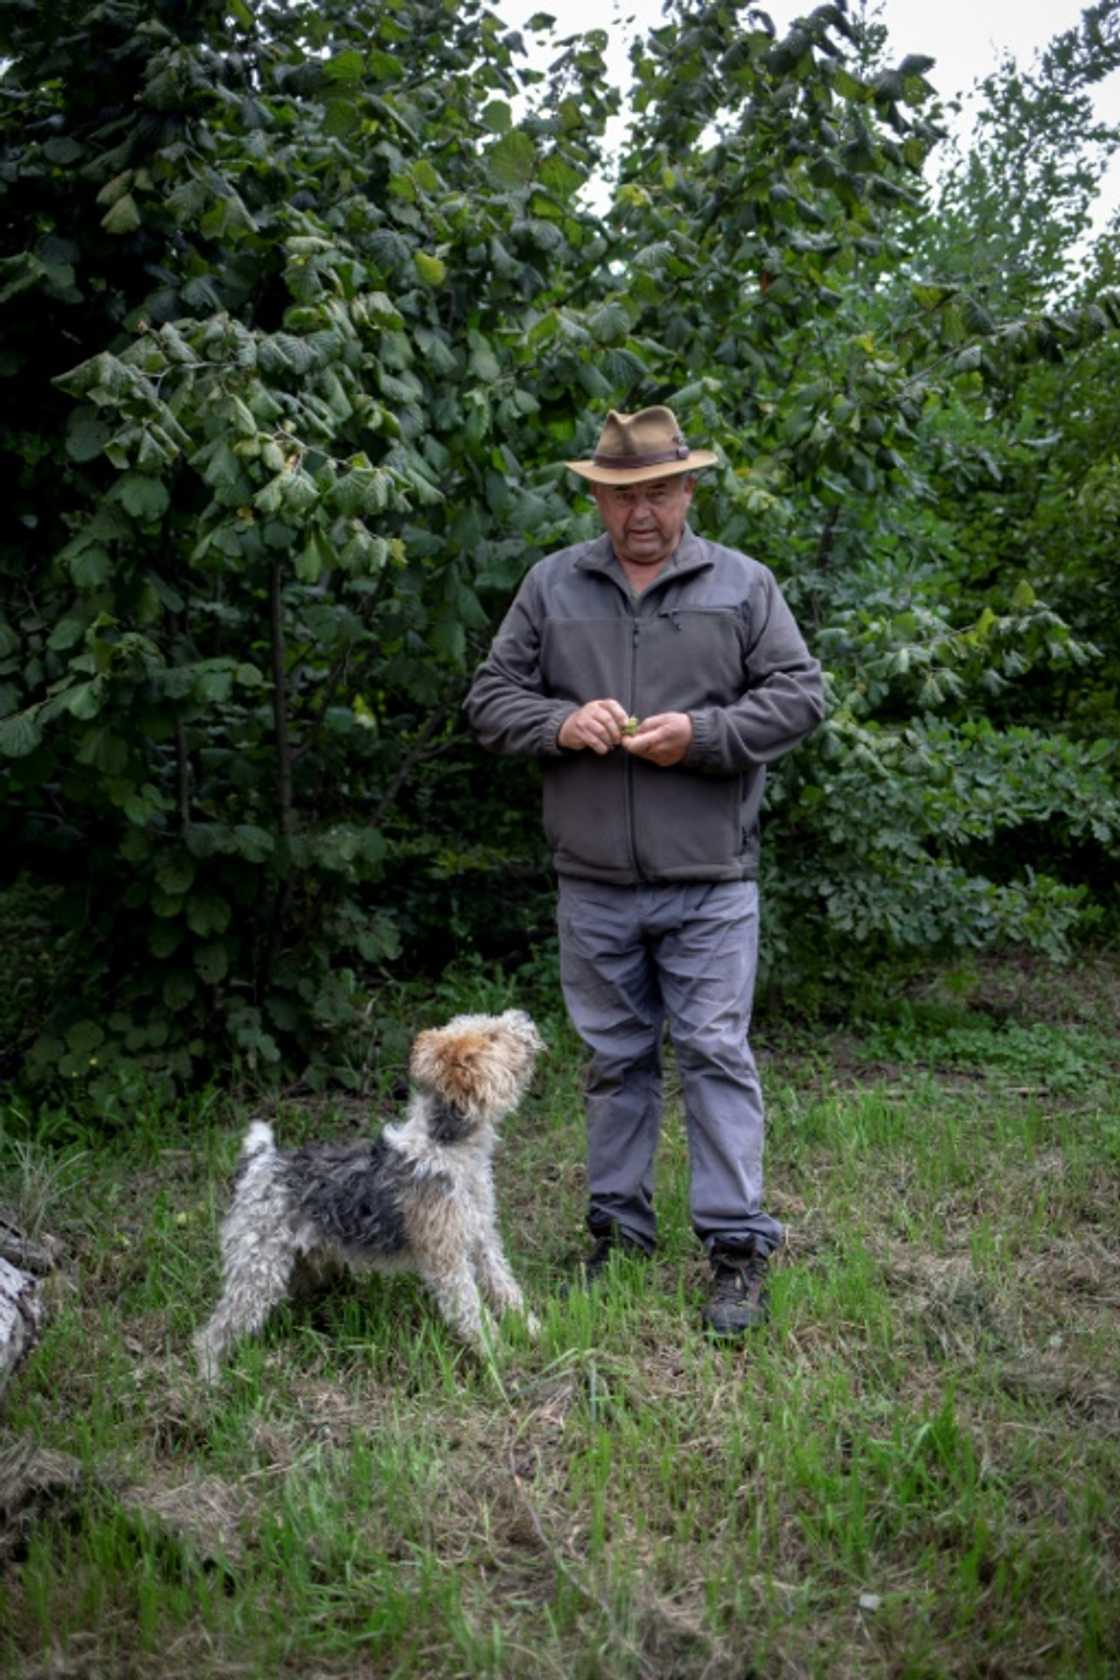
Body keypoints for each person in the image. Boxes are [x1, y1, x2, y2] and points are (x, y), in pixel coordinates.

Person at [464, 406, 825, 1337]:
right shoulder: (552, 587)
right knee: (615, 1061)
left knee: (713, 1052)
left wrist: (704, 737)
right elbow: (490, 699)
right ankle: (617, 1232)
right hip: (592, 881)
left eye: (659, 491)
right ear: (595, 496)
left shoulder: (743, 585)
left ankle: (736, 1248)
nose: (640, 513)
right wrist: (558, 723)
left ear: (689, 489)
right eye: (620, 495)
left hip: (710, 878)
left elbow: (799, 695)